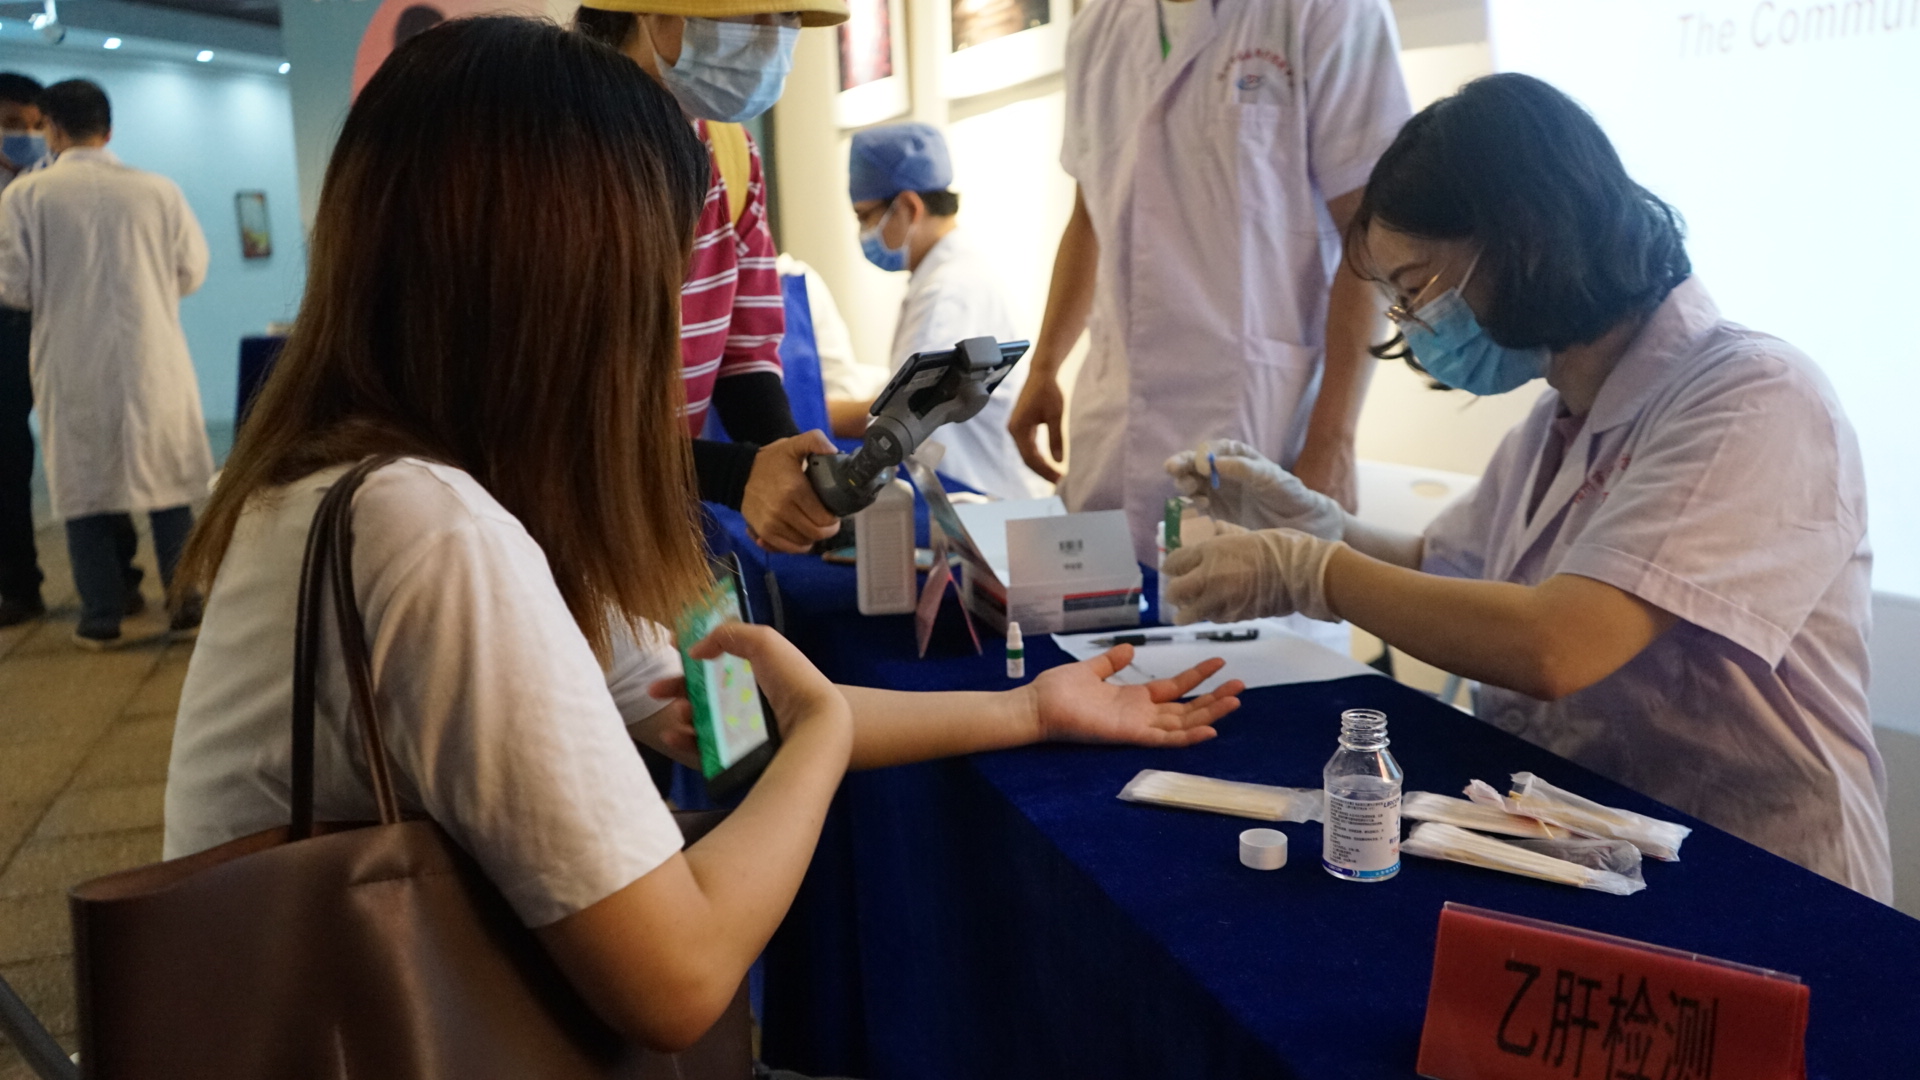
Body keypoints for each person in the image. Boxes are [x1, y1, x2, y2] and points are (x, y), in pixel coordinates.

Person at [163, 18, 1242, 1055]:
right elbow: (681, 977)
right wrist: (818, 740)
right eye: (657, 282)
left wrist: (1028, 710)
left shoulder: (388, 484)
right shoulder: (431, 531)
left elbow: (727, 710)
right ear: (558, 285)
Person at [1161, 74, 1891, 900]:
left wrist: (1311, 571)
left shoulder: (1754, 397)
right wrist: (1314, 524)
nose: (1414, 325)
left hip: (1753, 875)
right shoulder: (1556, 419)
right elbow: (1449, 574)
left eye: (1417, 287)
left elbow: (1555, 644)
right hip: (1594, 845)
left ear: (1525, 239)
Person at [1006, 0, 1413, 562]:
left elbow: (1370, 237)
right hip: (1114, 423)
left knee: (1250, 601)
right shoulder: (1096, 27)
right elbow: (1088, 217)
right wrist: (1046, 366)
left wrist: (1333, 441)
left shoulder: (1328, 11)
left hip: (1255, 421)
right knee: (1101, 610)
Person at [574, 0, 848, 554]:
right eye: (747, 12)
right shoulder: (561, 156)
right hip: (540, 520)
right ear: (647, 10)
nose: (770, 38)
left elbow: (744, 354)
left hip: (651, 511)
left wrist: (789, 465)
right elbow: (547, 417)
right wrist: (734, 475)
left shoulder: (730, 152)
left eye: (788, 18)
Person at [0, 79, 211, 649]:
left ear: (53, 128)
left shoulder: (25, 196)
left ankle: (101, 617)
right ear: (109, 129)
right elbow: (193, 269)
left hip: (72, 361)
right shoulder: (157, 190)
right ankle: (186, 602)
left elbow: (12, 287)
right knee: (168, 485)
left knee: (84, 488)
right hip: (153, 358)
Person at [843, 122, 1047, 501]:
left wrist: (811, 407)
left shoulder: (946, 293)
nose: (864, 232)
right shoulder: (954, 274)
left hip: (980, 499)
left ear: (909, 207)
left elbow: (895, 418)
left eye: (865, 217)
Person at [0, 72, 44, 627]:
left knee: (88, 442)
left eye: (35, 125)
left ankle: (117, 578)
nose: (25, 135)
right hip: (2, 328)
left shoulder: (56, 182)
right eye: (12, 123)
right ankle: (18, 585)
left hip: (56, 323)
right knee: (7, 460)